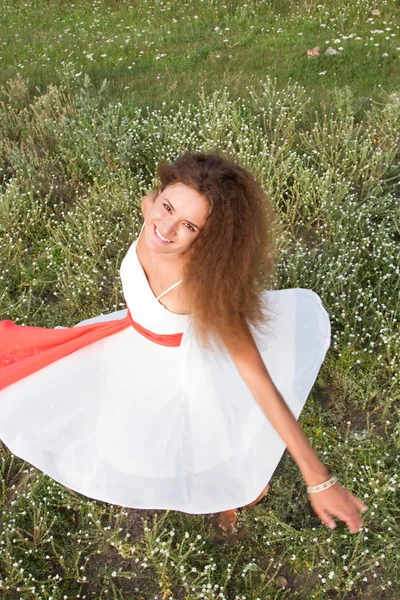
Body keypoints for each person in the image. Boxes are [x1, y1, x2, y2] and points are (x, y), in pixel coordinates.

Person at [0, 151, 367, 535]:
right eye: (167, 207)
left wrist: (319, 479)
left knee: (208, 441)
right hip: (133, 345)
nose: (166, 229)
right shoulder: (152, 216)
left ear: (209, 238)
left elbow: (259, 383)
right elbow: (157, 216)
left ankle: (238, 491)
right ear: (157, 197)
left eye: (189, 226)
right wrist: (164, 213)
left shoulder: (202, 289)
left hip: (183, 365)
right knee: (124, 431)